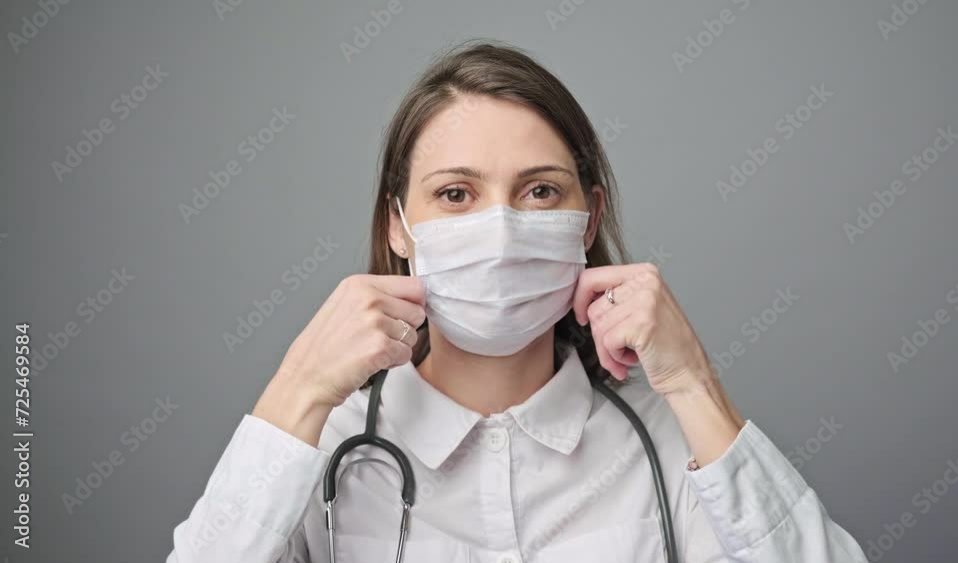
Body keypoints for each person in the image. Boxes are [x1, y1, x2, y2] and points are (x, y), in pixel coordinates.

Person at [166, 41, 867, 562]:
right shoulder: (328, 451)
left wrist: (693, 383)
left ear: (587, 220)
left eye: (539, 191)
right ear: (396, 226)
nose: (499, 230)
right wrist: (296, 390)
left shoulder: (669, 444)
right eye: (455, 194)